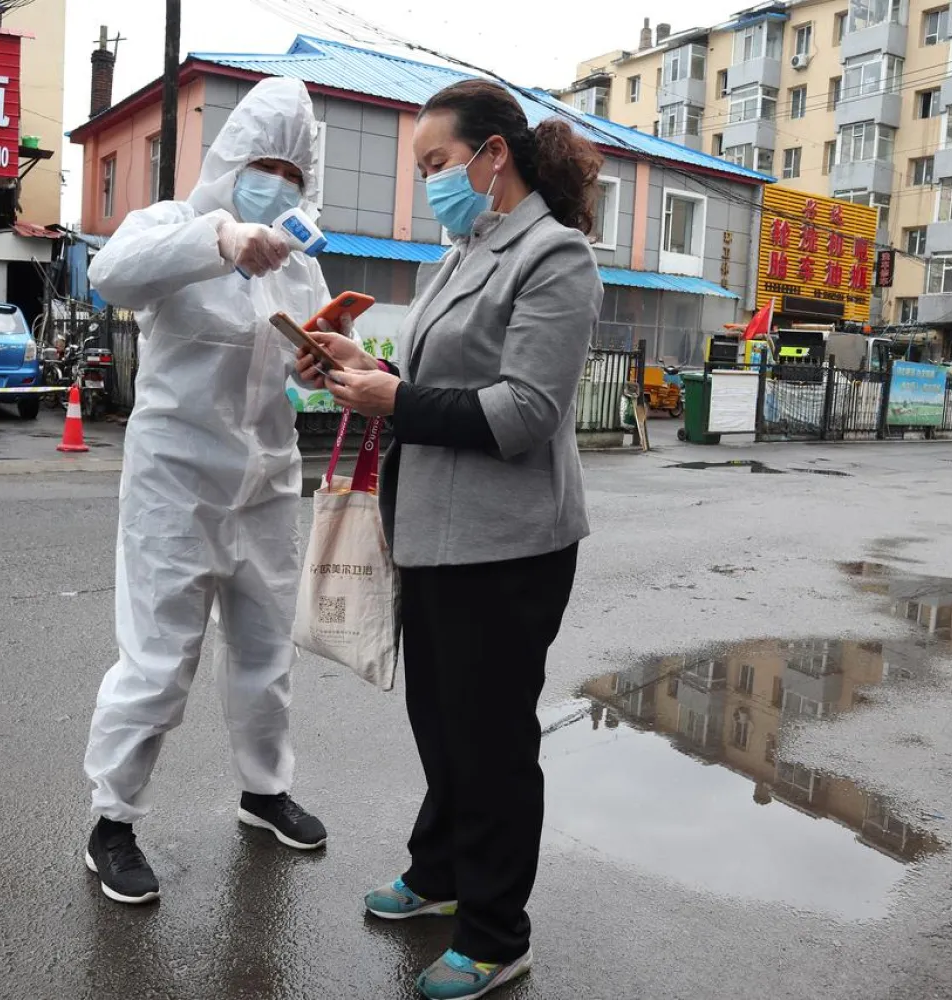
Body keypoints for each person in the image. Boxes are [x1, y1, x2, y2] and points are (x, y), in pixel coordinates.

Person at [296, 79, 603, 999]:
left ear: (492, 156)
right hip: (432, 526)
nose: (429, 182)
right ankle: (439, 874)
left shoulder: (553, 257)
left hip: (509, 543)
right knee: (440, 716)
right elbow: (440, 382)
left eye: (437, 164)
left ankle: (497, 929)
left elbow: (526, 410)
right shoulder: (464, 251)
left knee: (491, 736)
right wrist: (364, 367)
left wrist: (397, 400)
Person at [80, 76, 335, 907]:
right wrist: (220, 239)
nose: (278, 183)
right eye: (264, 164)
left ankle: (265, 792)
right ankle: (111, 822)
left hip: (266, 483)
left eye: (293, 173)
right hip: (176, 486)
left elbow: (304, 373)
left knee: (267, 656)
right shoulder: (174, 226)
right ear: (229, 163)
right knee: (157, 661)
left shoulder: (302, 267)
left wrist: (326, 365)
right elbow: (111, 276)